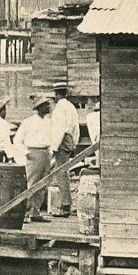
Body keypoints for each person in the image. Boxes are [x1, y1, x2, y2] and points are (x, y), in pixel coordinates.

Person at [18, 99, 55, 220]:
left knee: (44, 183)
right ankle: (25, 212)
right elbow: (17, 140)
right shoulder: (28, 122)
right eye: (46, 105)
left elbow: (53, 138)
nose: (49, 107)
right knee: (32, 183)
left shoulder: (50, 122)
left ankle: (35, 212)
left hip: (46, 153)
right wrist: (26, 153)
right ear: (39, 108)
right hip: (33, 153)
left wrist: (50, 152)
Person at [49, 84, 82, 218]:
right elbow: (76, 128)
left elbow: (59, 129)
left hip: (62, 140)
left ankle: (66, 205)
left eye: (55, 94)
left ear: (57, 94)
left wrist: (54, 147)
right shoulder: (71, 107)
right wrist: (74, 143)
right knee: (63, 172)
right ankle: (65, 204)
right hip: (69, 140)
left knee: (61, 173)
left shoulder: (60, 108)